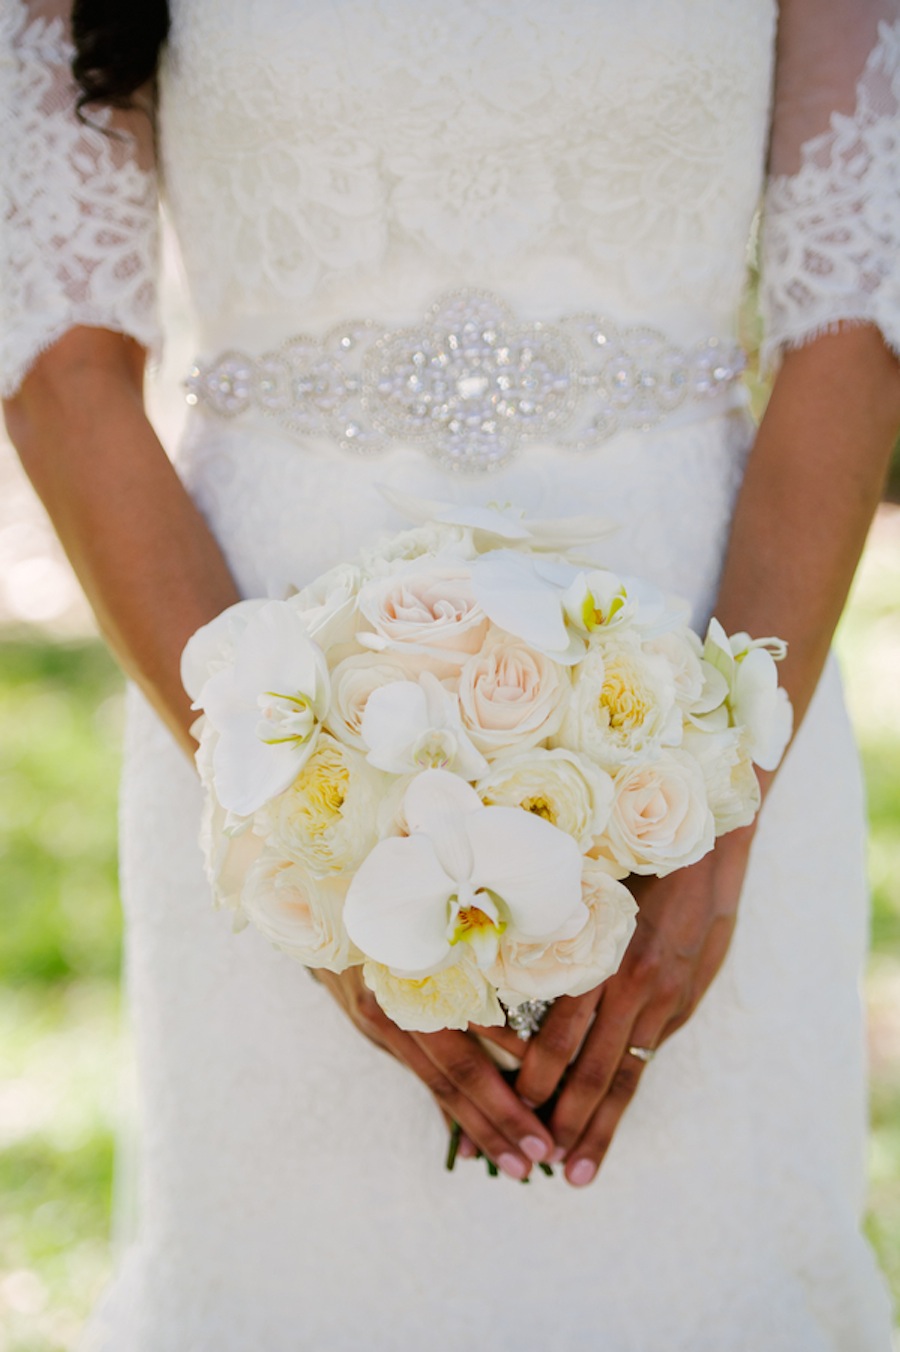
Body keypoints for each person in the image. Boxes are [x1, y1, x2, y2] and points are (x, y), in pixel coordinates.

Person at [3, 0, 900, 1346]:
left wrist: (715, 815)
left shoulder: (719, 800)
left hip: (717, 692)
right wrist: (293, 831)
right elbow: (61, 362)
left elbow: (854, 321)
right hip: (254, 695)